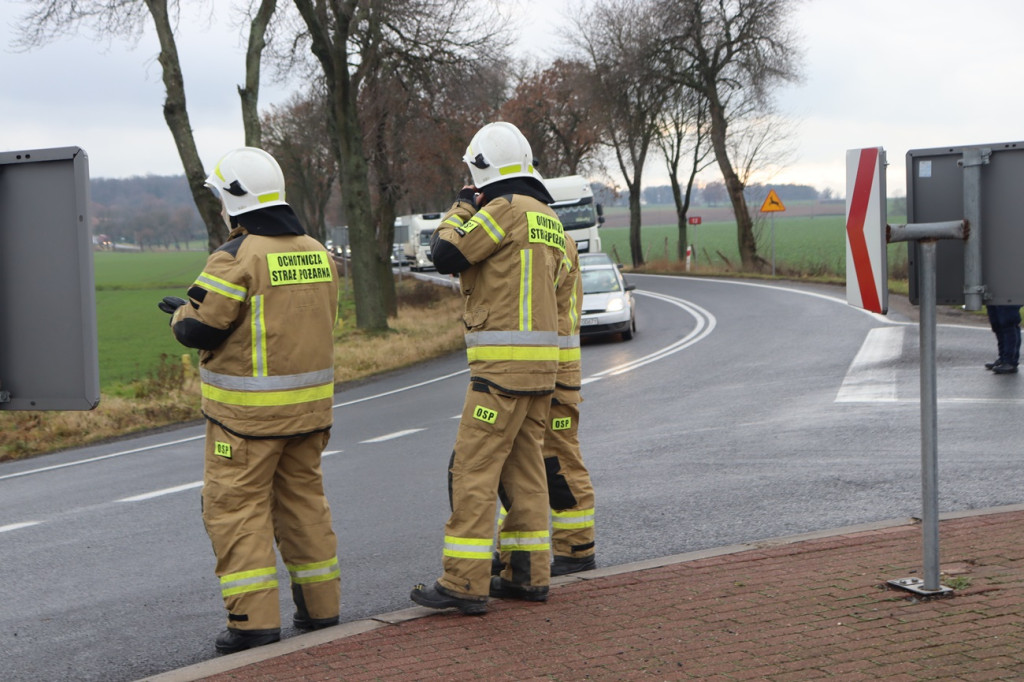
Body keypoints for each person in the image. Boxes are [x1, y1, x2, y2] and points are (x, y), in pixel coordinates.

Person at [159, 147, 341, 654]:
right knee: (305, 508)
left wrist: (178, 315)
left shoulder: (237, 257)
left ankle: (252, 622)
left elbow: (198, 327)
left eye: (221, 196)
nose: (220, 206)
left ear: (236, 199)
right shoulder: (318, 251)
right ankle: (322, 610)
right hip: (309, 417)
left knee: (236, 512)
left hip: (245, 424)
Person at [410, 122, 565, 614]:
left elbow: (445, 255)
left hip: (501, 372)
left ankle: (464, 581)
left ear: (482, 169)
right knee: (525, 473)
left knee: (471, 471)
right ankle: (528, 574)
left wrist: (460, 207)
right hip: (542, 371)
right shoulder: (547, 216)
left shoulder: (503, 208)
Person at [493, 234, 597, 579]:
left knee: (558, 462)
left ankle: (577, 548)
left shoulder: (539, 236)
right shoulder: (554, 235)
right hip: (545, 370)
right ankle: (517, 549)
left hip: (554, 373)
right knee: (521, 463)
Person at [985, 304, 1021, 374]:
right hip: (995, 296)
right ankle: (1003, 358)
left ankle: (1010, 361)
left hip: (1010, 296)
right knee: (996, 324)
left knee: (1008, 323)